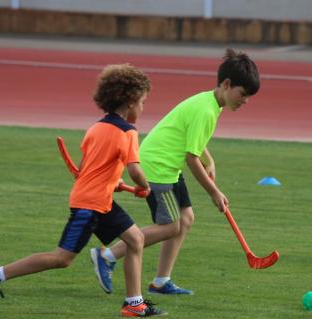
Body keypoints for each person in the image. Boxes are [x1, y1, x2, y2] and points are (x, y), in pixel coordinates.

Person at [0, 64, 165, 318]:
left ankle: (134, 303)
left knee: (136, 239)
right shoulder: (128, 132)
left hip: (99, 199)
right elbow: (134, 170)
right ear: (130, 102)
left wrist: (116, 184)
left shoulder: (96, 128)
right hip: (90, 204)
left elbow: (92, 169)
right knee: (62, 258)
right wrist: (144, 186)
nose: (143, 108)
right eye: (142, 102)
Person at [91, 49, 260, 295]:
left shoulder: (212, 103)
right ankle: (107, 255)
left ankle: (161, 281)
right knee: (171, 226)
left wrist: (209, 160)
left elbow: (194, 143)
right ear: (226, 84)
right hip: (158, 168)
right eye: (242, 94)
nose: (245, 101)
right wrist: (214, 192)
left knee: (186, 219)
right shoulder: (206, 109)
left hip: (168, 164)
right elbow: (191, 159)